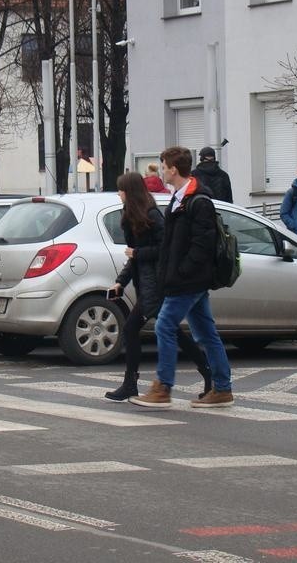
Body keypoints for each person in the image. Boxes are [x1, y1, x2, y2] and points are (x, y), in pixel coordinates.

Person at [130, 146, 233, 409]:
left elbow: (202, 244)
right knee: (206, 333)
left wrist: (181, 272)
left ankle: (163, 387)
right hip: (185, 279)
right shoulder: (180, 198)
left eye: (163, 166)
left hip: (189, 280)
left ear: (173, 169)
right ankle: (222, 388)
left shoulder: (198, 201)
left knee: (165, 325)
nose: (162, 170)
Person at [105, 172, 212, 401]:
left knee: (131, 329)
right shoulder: (130, 216)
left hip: (157, 285)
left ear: (130, 192)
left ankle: (131, 384)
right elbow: (133, 257)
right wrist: (120, 282)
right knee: (174, 332)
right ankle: (208, 373)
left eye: (121, 190)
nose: (118, 194)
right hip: (145, 284)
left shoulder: (152, 215)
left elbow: (165, 249)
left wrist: (139, 253)